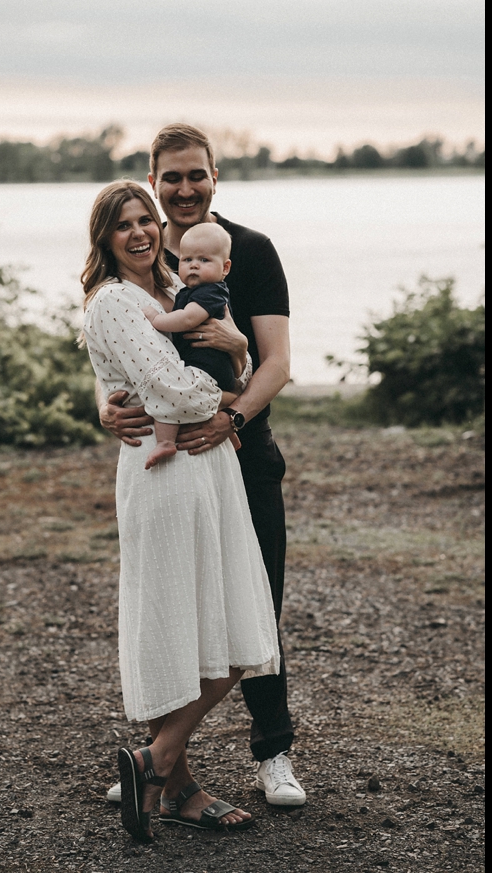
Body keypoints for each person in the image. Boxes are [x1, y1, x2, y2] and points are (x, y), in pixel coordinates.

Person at [98, 124, 305, 808]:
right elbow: (122, 351)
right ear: (154, 181)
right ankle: (165, 768)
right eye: (172, 178)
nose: (184, 189)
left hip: (243, 452)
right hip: (179, 457)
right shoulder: (155, 261)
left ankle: (273, 752)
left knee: (254, 607)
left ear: (215, 177)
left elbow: (274, 362)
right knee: (180, 610)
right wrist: (106, 405)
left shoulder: (251, 251)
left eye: (197, 175)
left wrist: (232, 413)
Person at [141, 221, 239, 470]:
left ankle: (165, 442)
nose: (194, 265)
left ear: (224, 268)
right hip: (205, 366)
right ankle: (231, 433)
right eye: (187, 260)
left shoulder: (212, 292)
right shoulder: (189, 290)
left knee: (171, 399)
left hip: (209, 368)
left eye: (204, 260)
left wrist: (157, 319)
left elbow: (187, 319)